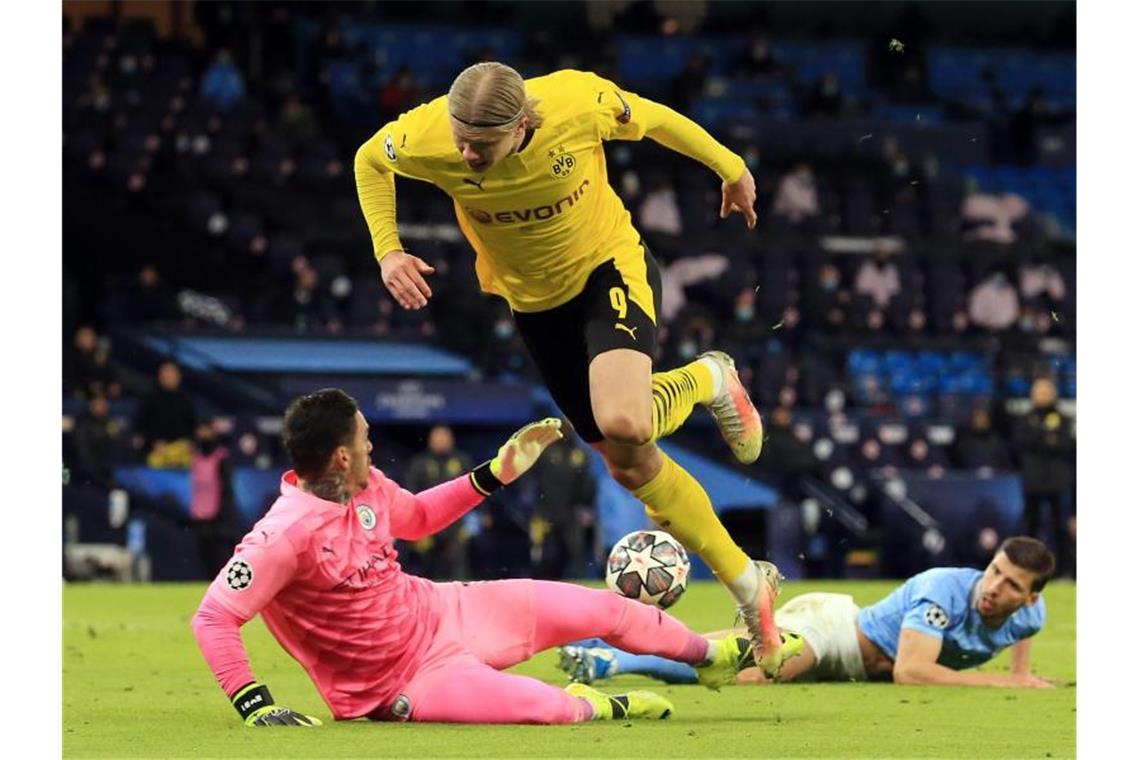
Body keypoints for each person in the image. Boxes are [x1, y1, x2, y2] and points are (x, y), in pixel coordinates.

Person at [354, 62, 783, 670]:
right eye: (461, 139)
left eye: (483, 143)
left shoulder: (576, 103)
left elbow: (655, 118)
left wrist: (730, 166)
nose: (468, 154)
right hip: (533, 304)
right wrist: (388, 250)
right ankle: (749, 583)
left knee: (626, 421)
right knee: (629, 464)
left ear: (524, 122)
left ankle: (708, 378)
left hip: (608, 268)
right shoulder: (429, 136)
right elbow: (370, 160)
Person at [190, 389, 753, 726]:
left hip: (445, 610)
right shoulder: (281, 535)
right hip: (403, 683)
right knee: (552, 710)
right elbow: (214, 616)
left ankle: (710, 656)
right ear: (341, 456)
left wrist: (495, 474)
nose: (371, 445)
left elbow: (419, 518)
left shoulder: (367, 488)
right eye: (364, 439)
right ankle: (608, 706)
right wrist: (255, 705)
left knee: (601, 610)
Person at [561, 537, 1056, 689]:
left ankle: (609, 651)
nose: (993, 587)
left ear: (1030, 597)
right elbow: (910, 671)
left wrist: (1022, 669)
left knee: (737, 661)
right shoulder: (943, 590)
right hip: (837, 630)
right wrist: (1008, 683)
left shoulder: (1030, 615)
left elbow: (1024, 632)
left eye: (1011, 584)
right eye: (993, 571)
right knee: (754, 671)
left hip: (852, 664)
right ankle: (613, 657)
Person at [1014, 378, 1075, 577]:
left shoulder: (1063, 419)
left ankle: (1065, 572)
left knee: (1061, 529)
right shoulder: (1025, 419)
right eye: (1038, 391)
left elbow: (1067, 445)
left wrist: (1042, 439)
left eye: (1046, 391)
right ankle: (1027, 570)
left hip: (1058, 482)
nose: (1042, 395)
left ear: (1053, 394)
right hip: (1033, 482)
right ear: (1032, 394)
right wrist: (1048, 438)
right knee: (1030, 529)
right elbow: (1022, 443)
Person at [403, 425, 474, 579]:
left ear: (451, 440)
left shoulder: (462, 461)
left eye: (444, 437)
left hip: (457, 523)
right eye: (437, 438)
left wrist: (480, 517)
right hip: (427, 521)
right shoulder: (419, 463)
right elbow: (409, 492)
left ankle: (459, 597)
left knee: (457, 562)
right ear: (430, 441)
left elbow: (476, 489)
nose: (441, 441)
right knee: (427, 566)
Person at [133, 361, 199, 468]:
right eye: (165, 372)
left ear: (178, 376)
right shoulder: (149, 398)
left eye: (172, 373)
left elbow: (194, 426)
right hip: (156, 450)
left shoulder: (186, 399)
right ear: (160, 376)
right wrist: (153, 443)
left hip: (181, 450)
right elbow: (140, 426)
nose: (168, 376)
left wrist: (189, 443)